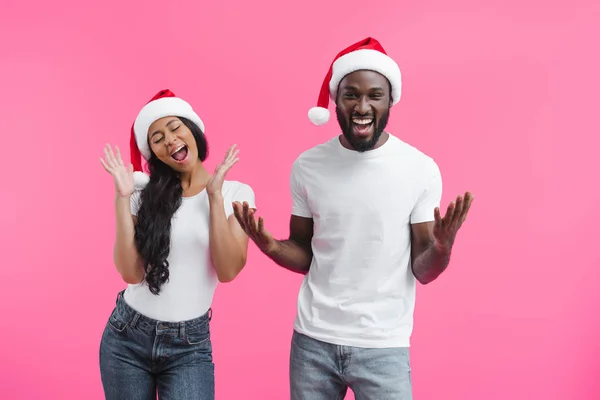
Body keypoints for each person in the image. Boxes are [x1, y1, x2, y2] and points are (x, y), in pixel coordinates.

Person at [233, 37, 474, 399]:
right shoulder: (307, 166)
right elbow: (303, 252)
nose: (362, 106)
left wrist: (442, 246)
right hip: (312, 343)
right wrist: (269, 245)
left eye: (374, 95)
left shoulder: (420, 169)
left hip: (383, 346)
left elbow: (423, 269)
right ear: (335, 101)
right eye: (351, 95)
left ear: (390, 99)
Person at [98, 89, 256, 400]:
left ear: (193, 130)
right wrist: (122, 197)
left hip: (189, 346)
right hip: (126, 337)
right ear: (153, 153)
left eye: (174, 127)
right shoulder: (144, 194)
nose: (169, 140)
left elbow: (228, 270)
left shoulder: (237, 192)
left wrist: (213, 195)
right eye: (156, 138)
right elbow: (130, 274)